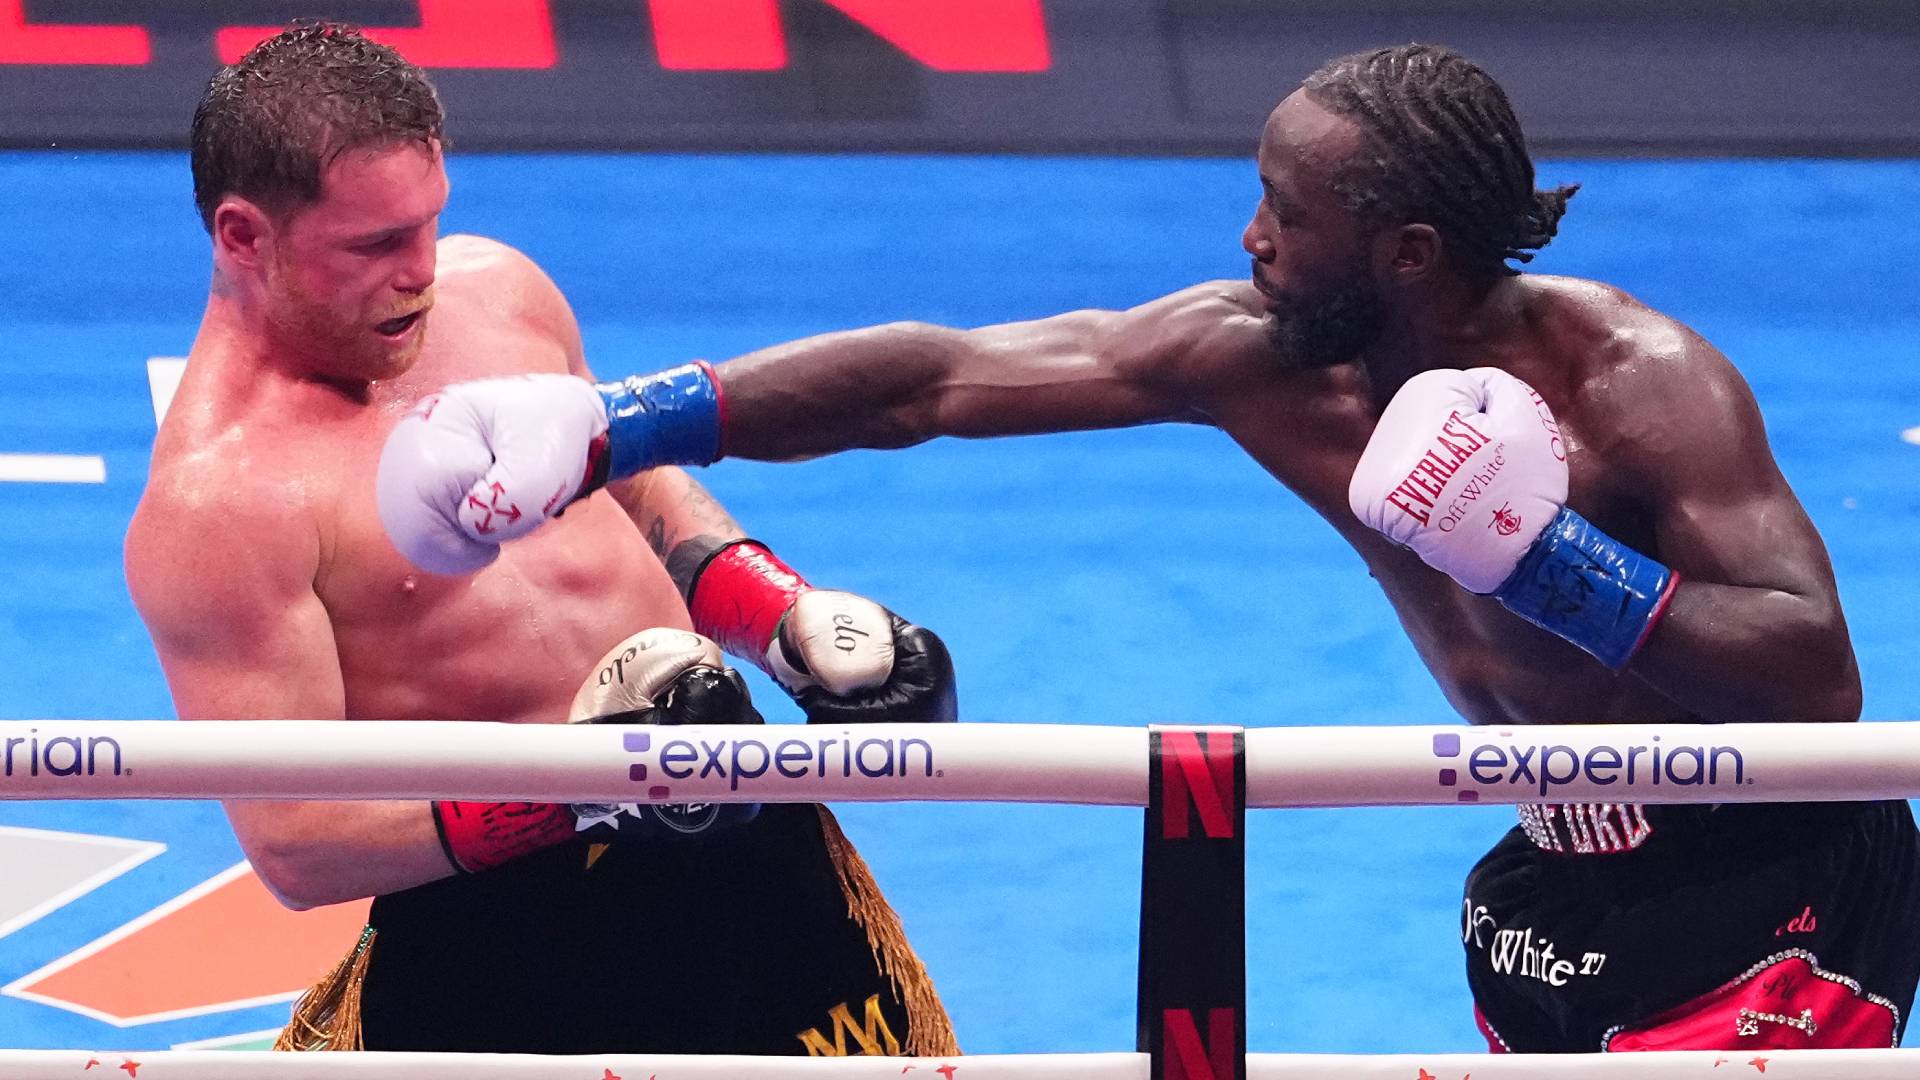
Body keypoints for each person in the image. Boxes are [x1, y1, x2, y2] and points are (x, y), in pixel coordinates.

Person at [381, 43, 1920, 1053]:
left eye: (1286, 211)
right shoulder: (1255, 353)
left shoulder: (1637, 384)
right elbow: (936, 377)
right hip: (1562, 872)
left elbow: (1818, 680)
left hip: (1777, 880)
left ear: (1409, 254)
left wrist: (1545, 564)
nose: (1250, 237)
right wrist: (623, 425)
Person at [124, 21, 961, 1057]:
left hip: (756, 859)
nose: (422, 272)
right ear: (245, 236)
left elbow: (629, 489)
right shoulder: (220, 503)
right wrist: (580, 789)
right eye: (377, 245)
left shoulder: (497, 291)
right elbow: (297, 843)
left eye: (430, 223)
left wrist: (774, 609)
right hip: (515, 943)